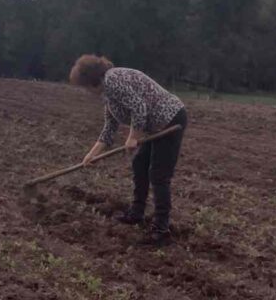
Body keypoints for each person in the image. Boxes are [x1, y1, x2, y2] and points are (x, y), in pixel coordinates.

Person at [69, 54, 187, 245]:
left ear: (91, 81)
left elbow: (139, 107)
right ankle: (136, 213)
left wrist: (133, 137)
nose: (85, 92)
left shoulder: (113, 80)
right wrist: (91, 155)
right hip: (154, 126)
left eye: (84, 87)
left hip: (171, 120)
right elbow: (109, 128)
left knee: (158, 175)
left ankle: (161, 230)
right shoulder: (107, 94)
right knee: (139, 163)